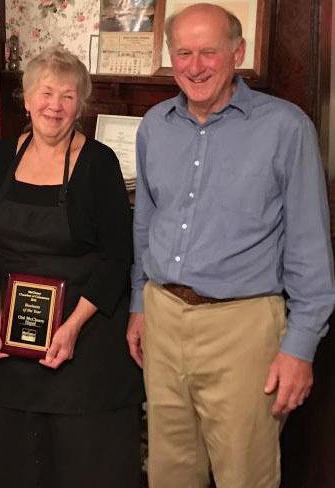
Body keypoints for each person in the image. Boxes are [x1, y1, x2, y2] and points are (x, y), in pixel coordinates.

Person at [126, 4, 335, 487]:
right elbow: (146, 227)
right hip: (163, 320)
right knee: (168, 474)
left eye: (208, 52)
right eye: (183, 53)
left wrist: (300, 348)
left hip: (244, 328)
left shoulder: (287, 128)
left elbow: (310, 250)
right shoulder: (155, 126)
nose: (194, 66)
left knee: (246, 475)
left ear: (237, 53)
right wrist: (140, 304)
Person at [0, 45, 144, 488]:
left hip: (83, 346)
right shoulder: (2, 156)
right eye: (46, 93)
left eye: (68, 96)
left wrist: (70, 328)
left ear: (80, 106)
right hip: (13, 342)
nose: (55, 105)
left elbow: (116, 258)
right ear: (26, 99)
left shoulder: (99, 163)